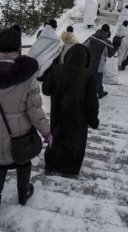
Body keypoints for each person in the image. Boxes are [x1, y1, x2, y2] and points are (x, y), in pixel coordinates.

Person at [0, 28, 51, 219]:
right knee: (23, 160)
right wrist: (46, 132)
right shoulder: (27, 74)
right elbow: (34, 110)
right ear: (18, 47)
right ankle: (23, 194)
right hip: (20, 131)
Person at [42, 44, 99, 177]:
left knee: (56, 139)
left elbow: (46, 90)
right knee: (75, 143)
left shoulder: (58, 69)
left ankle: (51, 166)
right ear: (86, 59)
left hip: (58, 113)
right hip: (78, 117)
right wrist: (93, 120)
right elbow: (92, 102)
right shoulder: (87, 75)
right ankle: (70, 169)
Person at [83, 24, 121, 99]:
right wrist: (116, 47)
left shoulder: (92, 37)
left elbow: (84, 45)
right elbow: (109, 54)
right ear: (107, 32)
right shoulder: (107, 42)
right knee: (97, 81)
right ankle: (89, 96)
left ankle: (100, 92)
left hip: (89, 63)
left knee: (96, 80)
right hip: (98, 66)